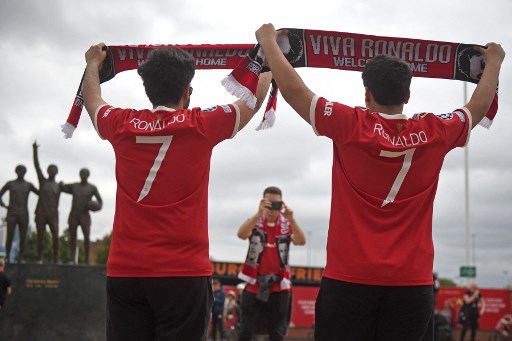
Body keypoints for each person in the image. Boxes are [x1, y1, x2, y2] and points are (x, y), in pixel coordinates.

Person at [255, 23, 505, 340]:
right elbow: (477, 107)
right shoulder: (436, 130)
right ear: (408, 94)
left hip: (349, 279)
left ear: (367, 93)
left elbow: (294, 91)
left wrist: (267, 42)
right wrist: (494, 62)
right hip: (412, 284)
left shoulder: (348, 123)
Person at [81, 42, 272, 341]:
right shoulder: (202, 124)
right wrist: (269, 58)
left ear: (148, 89)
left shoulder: (121, 123)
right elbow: (252, 100)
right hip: (183, 273)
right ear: (187, 91)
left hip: (125, 272)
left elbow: (92, 101)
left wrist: (92, 64)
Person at [237, 186, 306, 341]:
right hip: (255, 283)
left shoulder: (286, 225)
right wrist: (257, 213)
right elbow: (241, 234)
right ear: (262, 202)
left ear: (281, 204)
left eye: (276, 204)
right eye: (269, 204)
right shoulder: (255, 222)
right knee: (246, 330)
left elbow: (301, 241)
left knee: (277, 332)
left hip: (279, 285)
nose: (272, 209)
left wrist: (291, 219)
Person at [60, 168, 102, 265]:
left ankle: (87, 260)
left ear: (88, 175)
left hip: (85, 215)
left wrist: (95, 206)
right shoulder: (75, 186)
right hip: (74, 214)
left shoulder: (92, 188)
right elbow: (64, 187)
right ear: (79, 175)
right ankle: (72, 259)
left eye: (85, 173)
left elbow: (100, 202)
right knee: (72, 237)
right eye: (81, 173)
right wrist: (61, 184)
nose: (83, 175)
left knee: (86, 237)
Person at [0, 165, 39, 263]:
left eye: (23, 171)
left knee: (23, 237)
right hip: (12, 212)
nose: (21, 172)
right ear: (16, 171)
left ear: (25, 172)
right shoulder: (10, 184)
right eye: (19, 170)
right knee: (10, 235)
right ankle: (7, 256)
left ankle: (21, 257)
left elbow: (41, 193)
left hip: (23, 213)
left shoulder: (28, 185)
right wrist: (5, 206)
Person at [33, 141, 62, 264]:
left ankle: (55, 259)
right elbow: (37, 166)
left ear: (56, 172)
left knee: (55, 237)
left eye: (53, 170)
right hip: (41, 214)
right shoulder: (43, 181)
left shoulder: (58, 186)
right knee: (40, 237)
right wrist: (34, 150)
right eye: (50, 169)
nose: (51, 171)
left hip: (53, 215)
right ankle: (40, 258)